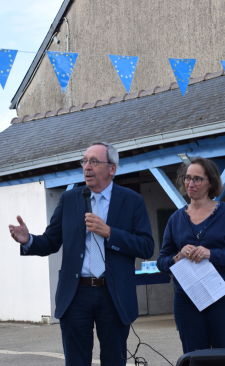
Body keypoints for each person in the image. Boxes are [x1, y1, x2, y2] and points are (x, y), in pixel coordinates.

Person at [9, 142, 154, 366]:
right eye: (84, 161)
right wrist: (29, 240)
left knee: (114, 360)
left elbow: (146, 246)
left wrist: (109, 233)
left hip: (113, 294)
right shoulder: (70, 199)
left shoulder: (132, 200)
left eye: (94, 161)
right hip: (76, 293)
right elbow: (50, 241)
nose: (87, 167)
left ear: (112, 169)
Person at [157, 157, 225, 353]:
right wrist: (177, 257)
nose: (190, 184)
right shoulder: (175, 219)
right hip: (187, 299)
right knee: (194, 356)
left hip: (222, 297)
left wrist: (212, 254)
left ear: (211, 182)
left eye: (197, 179)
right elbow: (161, 262)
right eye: (187, 178)